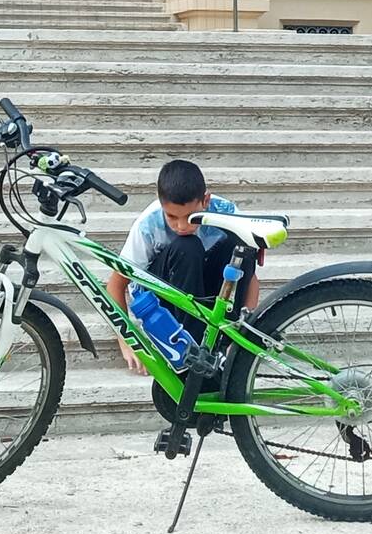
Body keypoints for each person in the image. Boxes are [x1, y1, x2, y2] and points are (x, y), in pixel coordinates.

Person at [106, 160, 259, 377]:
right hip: (165, 299)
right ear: (161, 204)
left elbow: (250, 277)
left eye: (189, 217)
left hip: (206, 291)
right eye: (172, 217)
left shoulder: (227, 214)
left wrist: (244, 330)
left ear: (206, 200)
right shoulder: (148, 224)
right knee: (187, 245)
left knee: (243, 247)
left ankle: (227, 342)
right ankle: (192, 350)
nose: (181, 226)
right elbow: (115, 285)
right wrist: (126, 340)